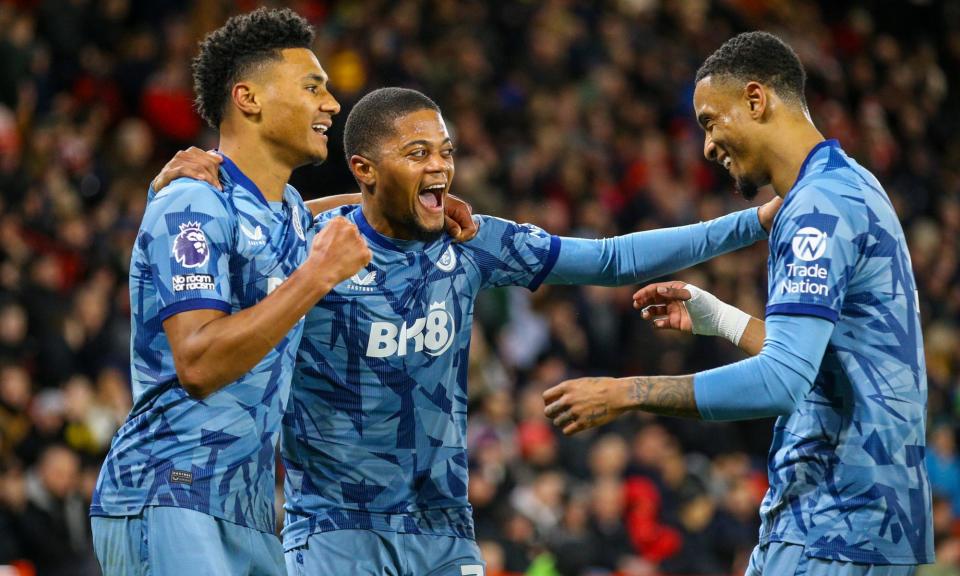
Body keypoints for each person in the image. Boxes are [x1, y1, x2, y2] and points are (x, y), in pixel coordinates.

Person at [154, 85, 780, 574]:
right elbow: (231, 248)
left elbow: (614, 259)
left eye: (446, 151)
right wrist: (201, 183)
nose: (440, 167)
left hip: (442, 531)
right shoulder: (315, 252)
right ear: (364, 168)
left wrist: (753, 221)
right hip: (331, 532)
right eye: (418, 153)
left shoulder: (473, 242)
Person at [543, 31, 933, 573]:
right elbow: (832, 362)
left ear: (756, 99)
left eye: (709, 120)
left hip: (832, 522)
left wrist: (626, 392)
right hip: (860, 519)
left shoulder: (817, 208)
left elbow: (781, 382)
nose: (706, 145)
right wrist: (721, 318)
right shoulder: (851, 185)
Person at [88, 9, 374, 576]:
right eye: (312, 87)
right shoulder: (189, 201)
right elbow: (196, 362)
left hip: (246, 509)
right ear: (249, 98)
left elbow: (302, 221)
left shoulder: (286, 210)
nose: (332, 104)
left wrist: (420, 209)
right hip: (169, 488)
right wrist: (314, 277)